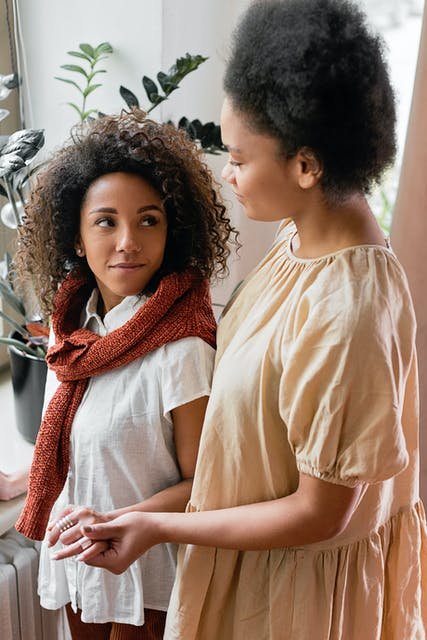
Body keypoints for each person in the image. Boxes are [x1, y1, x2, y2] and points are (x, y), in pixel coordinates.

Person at [53, 1, 427, 638]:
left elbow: (321, 513)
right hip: (248, 564)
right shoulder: (299, 238)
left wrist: (157, 525)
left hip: (291, 595)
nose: (227, 175)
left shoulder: (347, 312)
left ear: (307, 167)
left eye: (239, 157)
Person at [13, 110, 235, 639]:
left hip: (148, 584)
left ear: (171, 231)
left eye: (149, 220)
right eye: (106, 221)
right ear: (76, 238)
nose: (128, 240)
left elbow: (203, 485)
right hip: (78, 568)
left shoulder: (180, 347)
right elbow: (88, 445)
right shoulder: (72, 337)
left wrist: (122, 521)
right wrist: (28, 479)